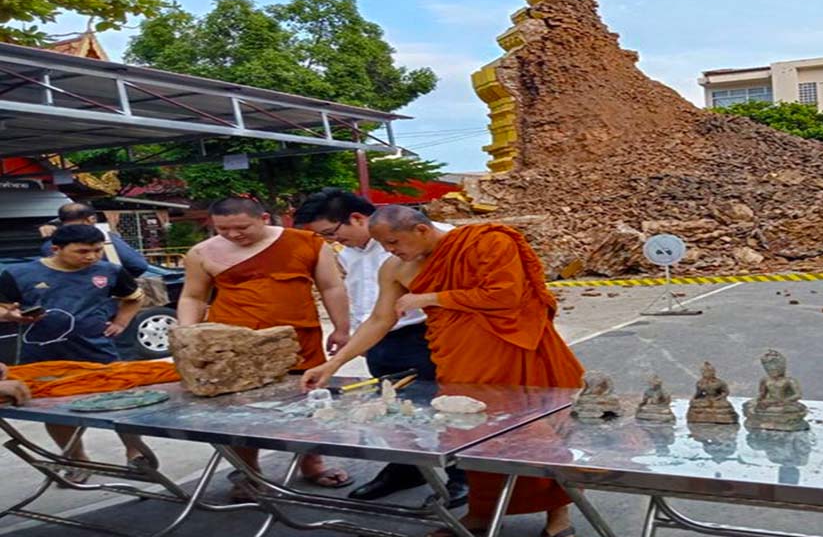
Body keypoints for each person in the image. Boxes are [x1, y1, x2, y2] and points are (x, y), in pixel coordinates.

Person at [302, 206, 585, 537]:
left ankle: (558, 516)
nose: (391, 251)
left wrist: (431, 298)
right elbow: (380, 319)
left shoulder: (486, 242)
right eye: (384, 246)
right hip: (460, 361)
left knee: (539, 436)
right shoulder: (395, 268)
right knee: (471, 438)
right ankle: (481, 512)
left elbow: (505, 295)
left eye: (394, 242)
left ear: (421, 230)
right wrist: (333, 364)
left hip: (519, 351)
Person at [293, 188, 467, 504]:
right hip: (376, 339)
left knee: (446, 408)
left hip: (424, 334)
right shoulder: (350, 252)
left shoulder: (440, 243)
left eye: (332, 233)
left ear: (357, 218)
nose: (333, 242)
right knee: (394, 408)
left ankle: (462, 476)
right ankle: (407, 469)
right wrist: (337, 356)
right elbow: (374, 313)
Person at [178, 197, 353, 497]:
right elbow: (193, 297)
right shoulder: (201, 253)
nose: (233, 235)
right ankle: (248, 471)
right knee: (237, 412)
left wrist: (341, 328)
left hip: (298, 338)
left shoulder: (305, 242)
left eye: (242, 227)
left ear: (264, 218)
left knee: (305, 402)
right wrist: (187, 338)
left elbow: (331, 286)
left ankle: (312, 463)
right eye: (223, 229)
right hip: (233, 345)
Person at [0, 224, 154, 476]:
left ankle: (135, 451)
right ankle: (77, 459)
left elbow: (135, 297)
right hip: (42, 357)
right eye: (82, 251)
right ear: (56, 249)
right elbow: (2, 307)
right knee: (55, 411)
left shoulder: (110, 271)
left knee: (124, 404)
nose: (91, 257)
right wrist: (11, 315)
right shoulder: (19, 274)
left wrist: (121, 322)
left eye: (96, 250)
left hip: (97, 352)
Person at [41, 203, 149, 278]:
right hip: (103, 294)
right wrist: (118, 281)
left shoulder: (50, 243)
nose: (91, 256)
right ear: (91, 219)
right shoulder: (105, 239)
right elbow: (138, 265)